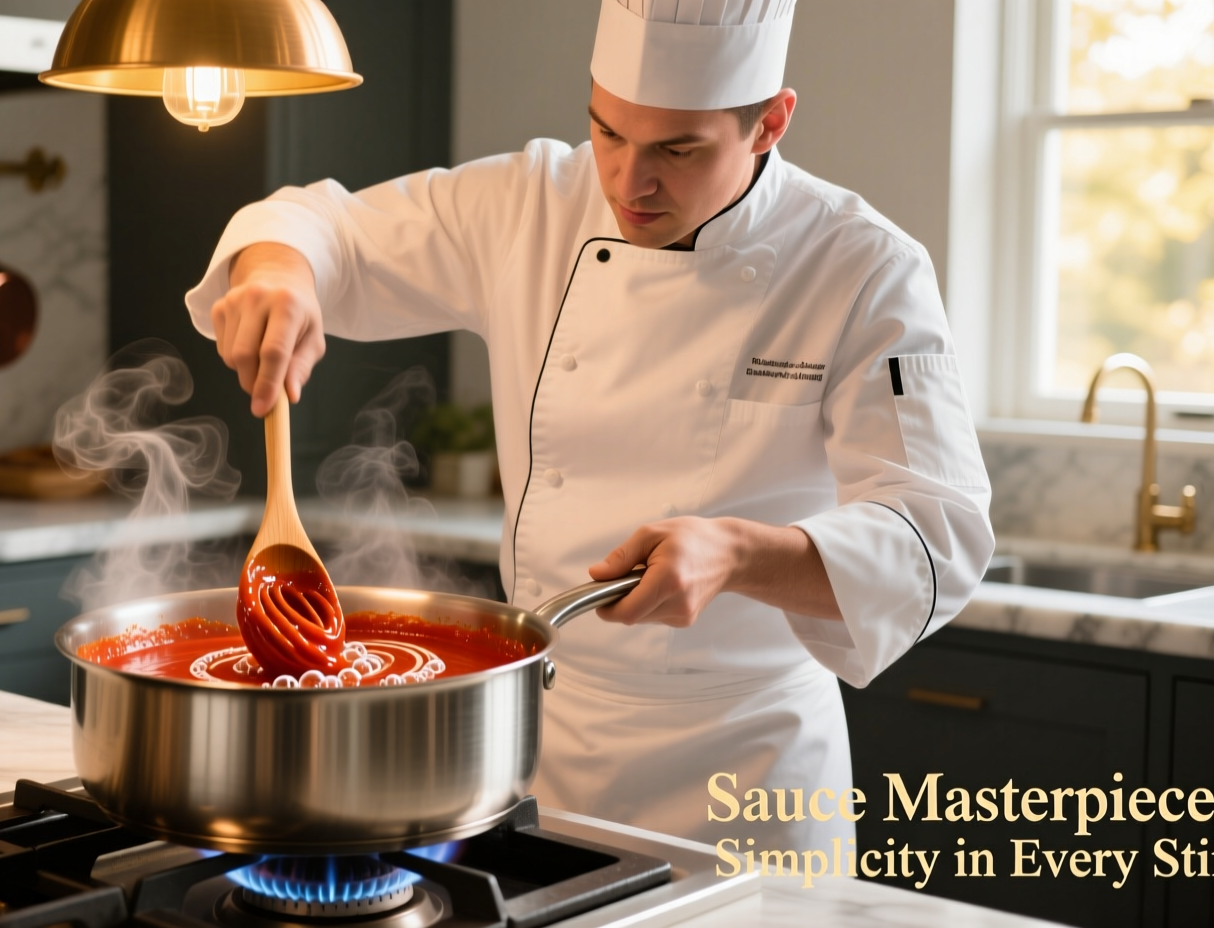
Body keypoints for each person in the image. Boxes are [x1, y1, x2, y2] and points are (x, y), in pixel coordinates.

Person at [186, 0, 993, 852]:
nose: (627, 182)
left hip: (749, 767)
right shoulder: (532, 201)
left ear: (770, 123)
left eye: (678, 150)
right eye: (608, 132)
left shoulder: (863, 266)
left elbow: (937, 535)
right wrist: (282, 272)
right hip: (542, 746)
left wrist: (741, 555)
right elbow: (327, 227)